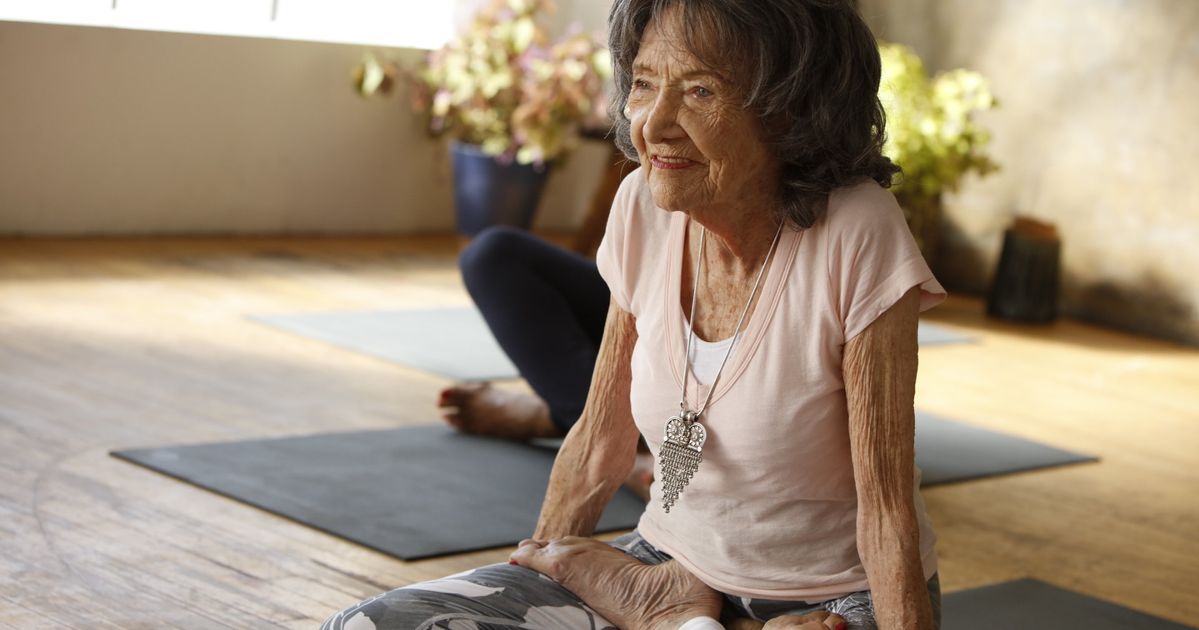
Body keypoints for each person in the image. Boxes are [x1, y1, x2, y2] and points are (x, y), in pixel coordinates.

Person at [326, 0, 946, 628]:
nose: (657, 125)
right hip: (664, 565)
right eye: (645, 85)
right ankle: (684, 615)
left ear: (793, 109)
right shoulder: (641, 207)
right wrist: (542, 580)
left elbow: (886, 507)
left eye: (701, 91)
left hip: (831, 600)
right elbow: (600, 439)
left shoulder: (857, 230)